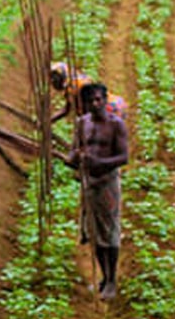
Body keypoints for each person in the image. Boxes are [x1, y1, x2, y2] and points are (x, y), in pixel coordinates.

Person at [66, 81, 129, 300]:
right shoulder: (82, 124)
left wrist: (98, 162)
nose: (96, 103)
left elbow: (123, 157)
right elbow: (73, 152)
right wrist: (75, 159)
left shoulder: (115, 125)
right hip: (89, 184)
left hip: (107, 184)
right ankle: (104, 276)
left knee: (109, 232)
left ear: (105, 99)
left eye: (100, 99)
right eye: (91, 100)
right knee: (94, 233)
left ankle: (112, 280)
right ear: (84, 104)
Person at [49, 61, 127, 125]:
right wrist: (50, 120)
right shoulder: (70, 88)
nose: (53, 82)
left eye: (55, 78)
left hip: (113, 108)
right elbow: (66, 109)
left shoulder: (80, 86)